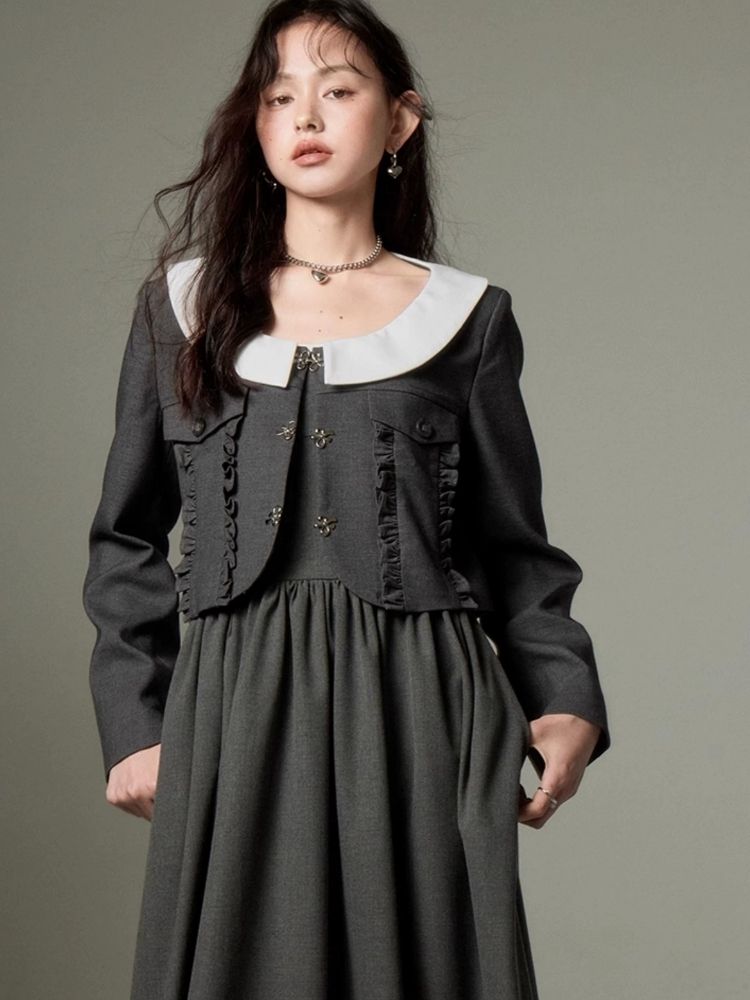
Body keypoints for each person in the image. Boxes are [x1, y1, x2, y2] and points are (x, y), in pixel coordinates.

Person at [82, 1, 610, 997]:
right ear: (255, 123)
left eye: (338, 89)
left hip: (424, 711)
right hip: (232, 713)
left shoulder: (466, 319)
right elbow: (124, 536)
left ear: (399, 119)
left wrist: (564, 696)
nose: (306, 116)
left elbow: (515, 548)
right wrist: (134, 718)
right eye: (279, 95)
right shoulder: (181, 308)